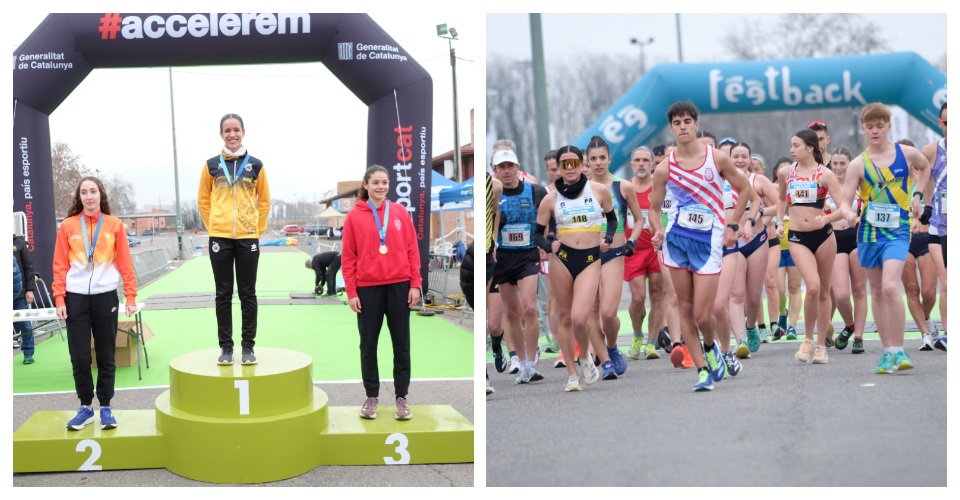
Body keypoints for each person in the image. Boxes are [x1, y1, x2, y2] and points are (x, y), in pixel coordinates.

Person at [649, 101, 758, 392]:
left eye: (687, 121)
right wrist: (657, 230)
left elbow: (745, 189)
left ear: (696, 125)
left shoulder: (717, 158)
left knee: (702, 313)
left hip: (709, 242)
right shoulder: (664, 168)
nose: (682, 127)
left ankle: (711, 348)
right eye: (677, 123)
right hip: (677, 241)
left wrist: (733, 225)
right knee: (684, 306)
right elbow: (654, 208)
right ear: (671, 128)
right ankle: (701, 370)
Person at [842, 102, 931, 373]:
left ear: (888, 126)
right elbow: (845, 201)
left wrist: (918, 195)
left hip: (898, 231)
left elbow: (925, 168)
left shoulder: (906, 153)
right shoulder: (858, 165)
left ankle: (901, 350)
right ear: (864, 129)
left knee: (892, 287)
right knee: (878, 293)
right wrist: (847, 214)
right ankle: (888, 351)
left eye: (880, 126)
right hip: (868, 234)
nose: (875, 131)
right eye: (870, 127)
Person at [53, 176, 138, 431]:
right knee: (79, 357)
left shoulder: (113, 225)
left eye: (93, 191)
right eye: (84, 192)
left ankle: (106, 408)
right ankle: (85, 407)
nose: (89, 196)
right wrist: (59, 297)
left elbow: (124, 262)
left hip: (105, 296)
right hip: (75, 298)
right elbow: (59, 264)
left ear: (100, 195)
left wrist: (131, 295)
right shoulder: (68, 226)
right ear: (79, 198)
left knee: (105, 355)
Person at [533, 144, 616, 391]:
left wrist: (608, 239)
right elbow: (537, 234)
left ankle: (584, 357)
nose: (570, 169)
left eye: (574, 163)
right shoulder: (550, 199)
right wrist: (549, 244)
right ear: (558, 168)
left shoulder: (599, 191)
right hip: (562, 260)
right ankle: (571, 373)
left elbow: (612, 220)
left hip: (590, 259)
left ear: (582, 164)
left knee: (581, 318)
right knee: (565, 317)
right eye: (564, 164)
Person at [342, 165, 422, 420]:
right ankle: (372, 396)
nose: (381, 186)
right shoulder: (354, 216)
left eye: (385, 182)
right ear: (365, 185)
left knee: (402, 345)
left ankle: (402, 397)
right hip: (367, 289)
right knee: (368, 345)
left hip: (399, 286)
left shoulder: (399, 212)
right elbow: (348, 257)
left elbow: (412, 249)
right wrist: (351, 291)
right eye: (375, 182)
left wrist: (415, 283)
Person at [198, 113, 271, 366]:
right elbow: (204, 201)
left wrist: (256, 230)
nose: (232, 134)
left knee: (248, 293)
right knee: (223, 293)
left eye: (236, 130)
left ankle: (248, 347)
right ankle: (226, 348)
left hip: (247, 238)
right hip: (220, 238)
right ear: (221, 134)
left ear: (243, 132)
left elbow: (264, 201)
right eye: (227, 130)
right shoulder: (211, 165)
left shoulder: (256, 165)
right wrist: (214, 226)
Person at [777, 129, 851, 365]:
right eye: (791, 145)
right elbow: (780, 199)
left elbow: (843, 207)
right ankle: (807, 339)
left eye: (795, 145)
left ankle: (820, 346)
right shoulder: (786, 173)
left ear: (809, 147)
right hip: (798, 237)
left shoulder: (825, 174)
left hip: (824, 236)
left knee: (823, 288)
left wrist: (827, 219)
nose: (791, 150)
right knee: (813, 286)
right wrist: (780, 221)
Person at [585, 135, 644, 378]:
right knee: (592, 312)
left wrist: (631, 241)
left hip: (615, 253)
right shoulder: (581, 189)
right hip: (587, 255)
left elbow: (640, 219)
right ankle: (606, 358)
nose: (598, 163)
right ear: (586, 162)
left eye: (602, 158)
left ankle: (611, 346)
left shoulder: (623, 187)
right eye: (593, 159)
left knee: (608, 313)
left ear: (609, 159)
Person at [492, 149, 549, 384]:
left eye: (510, 166)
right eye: (501, 167)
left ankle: (529, 364)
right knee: (512, 313)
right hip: (503, 258)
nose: (506, 171)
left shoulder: (535, 191)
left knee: (529, 308)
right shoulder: (493, 194)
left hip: (528, 256)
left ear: (518, 167)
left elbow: (547, 218)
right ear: (494, 170)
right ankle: (519, 358)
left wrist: (544, 242)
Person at [825, 146, 868, 354]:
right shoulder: (825, 184)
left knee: (859, 290)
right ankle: (849, 324)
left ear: (850, 163)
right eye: (835, 163)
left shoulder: (859, 184)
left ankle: (858, 336)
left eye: (843, 163)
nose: (839, 167)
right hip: (834, 241)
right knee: (841, 294)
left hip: (857, 239)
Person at [623, 146, 664, 361]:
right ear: (631, 164)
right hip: (634, 251)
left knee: (658, 295)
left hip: (655, 248)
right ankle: (637, 334)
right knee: (638, 298)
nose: (641, 164)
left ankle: (651, 341)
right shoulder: (625, 188)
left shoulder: (659, 187)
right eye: (637, 160)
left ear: (652, 164)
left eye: (645, 160)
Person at [921, 101, 947, 351]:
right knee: (947, 281)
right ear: (940, 123)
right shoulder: (931, 150)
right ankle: (948, 334)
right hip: (938, 228)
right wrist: (926, 204)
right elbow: (921, 175)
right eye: (947, 123)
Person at [486, 171, 503, 394]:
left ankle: (498, 347)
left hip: (491, 255)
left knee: (495, 325)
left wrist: (495, 241)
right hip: (476, 258)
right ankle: (485, 376)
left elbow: (496, 212)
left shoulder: (495, 186)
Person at [13, 234, 37, 363]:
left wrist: (29, 290)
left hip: (20, 292)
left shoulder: (20, 243)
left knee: (25, 323)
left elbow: (29, 267)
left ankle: (28, 353)